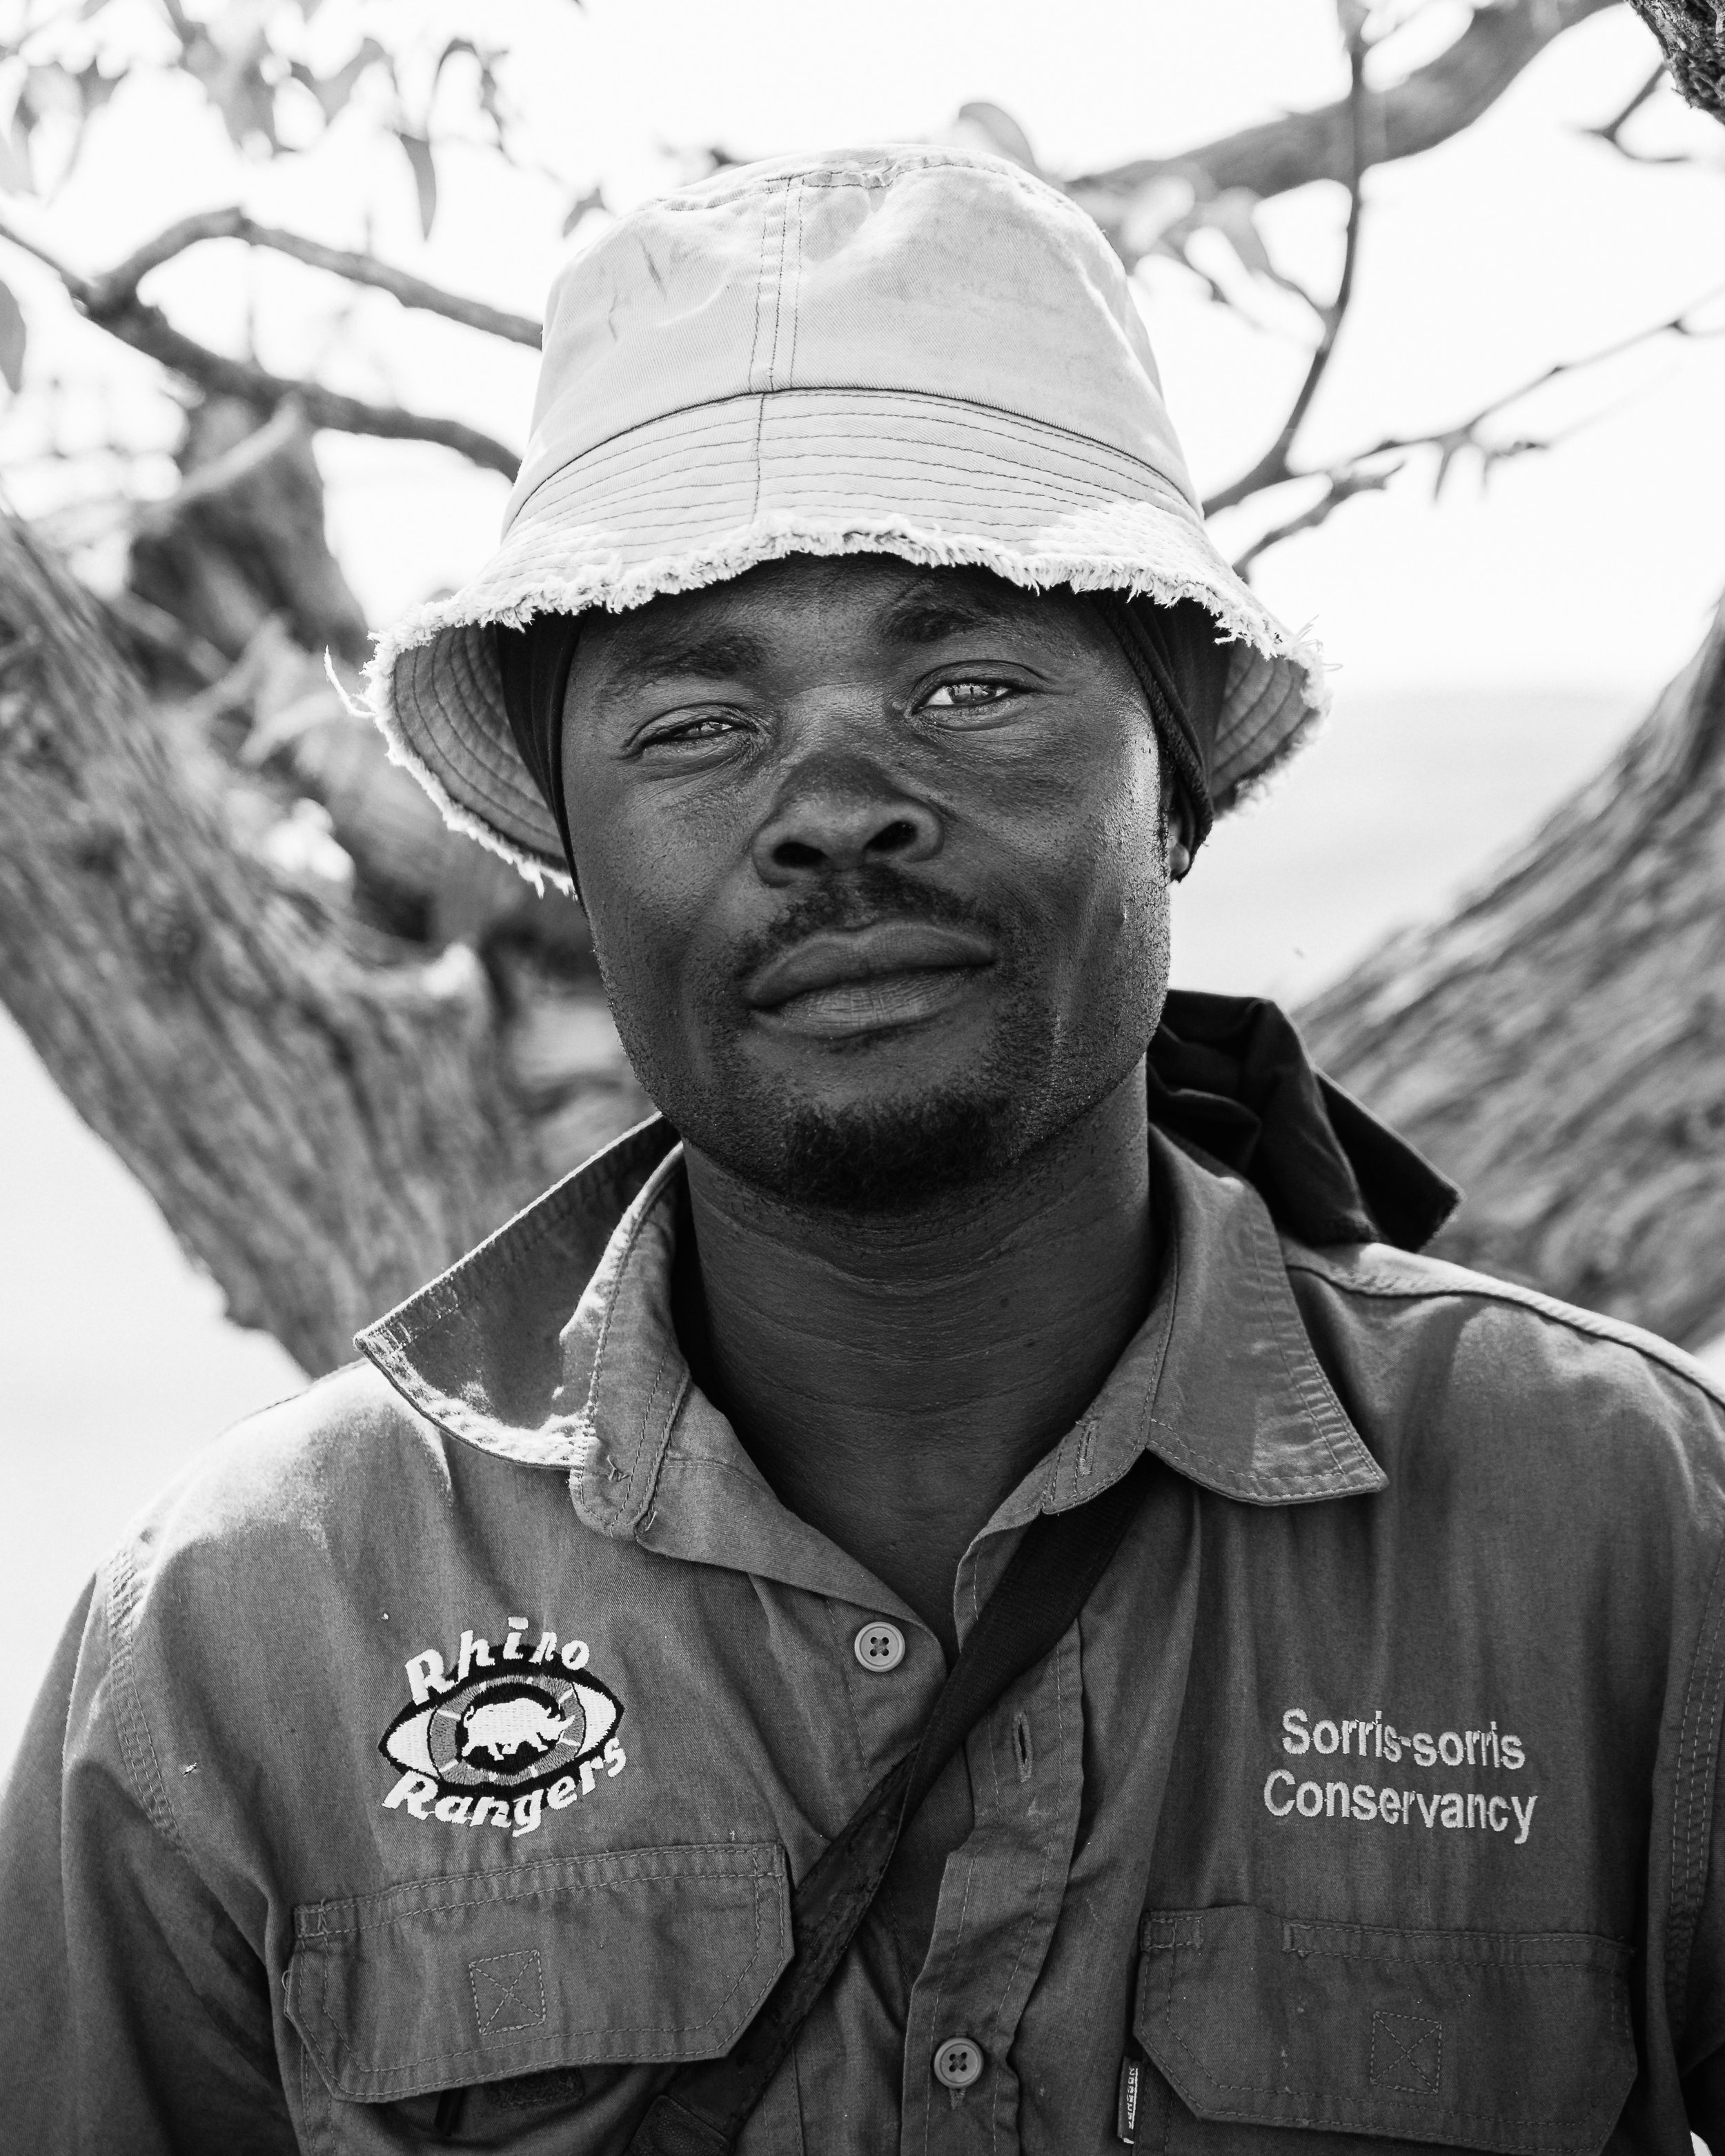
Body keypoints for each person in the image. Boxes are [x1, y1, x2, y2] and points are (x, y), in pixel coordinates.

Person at [3, 143, 1724, 2156]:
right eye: (692, 726)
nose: (835, 809)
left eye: (968, 682)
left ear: (1174, 787)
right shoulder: (243, 1638)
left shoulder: (1614, 1533)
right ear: (565, 852)